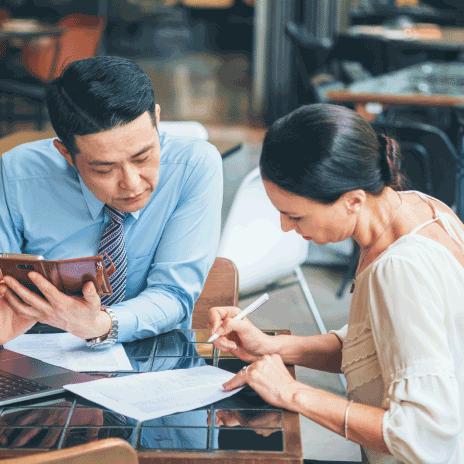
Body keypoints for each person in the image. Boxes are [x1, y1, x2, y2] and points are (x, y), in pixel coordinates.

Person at [209, 103, 464, 464]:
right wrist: (272, 346)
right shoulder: (422, 208)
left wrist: (293, 393)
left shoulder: (399, 269)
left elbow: (423, 434)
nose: (284, 227)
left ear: (352, 201)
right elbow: (376, 346)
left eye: (294, 215)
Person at [0, 56, 223, 347]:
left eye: (142, 157)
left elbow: (174, 293)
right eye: (104, 169)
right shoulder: (18, 176)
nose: (131, 183)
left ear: (156, 118)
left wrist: (100, 324)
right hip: (35, 347)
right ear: (66, 153)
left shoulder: (194, 167)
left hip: (151, 352)